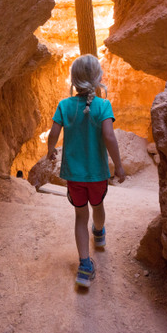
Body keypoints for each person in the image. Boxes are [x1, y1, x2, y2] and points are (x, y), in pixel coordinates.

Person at [47, 54, 126, 288]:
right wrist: (119, 165)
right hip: (98, 173)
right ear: (97, 78)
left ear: (74, 79)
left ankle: (84, 266)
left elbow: (53, 133)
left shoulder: (65, 105)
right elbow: (109, 137)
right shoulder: (102, 105)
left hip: (74, 175)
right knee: (98, 206)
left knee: (80, 217)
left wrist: (51, 150)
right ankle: (99, 234)